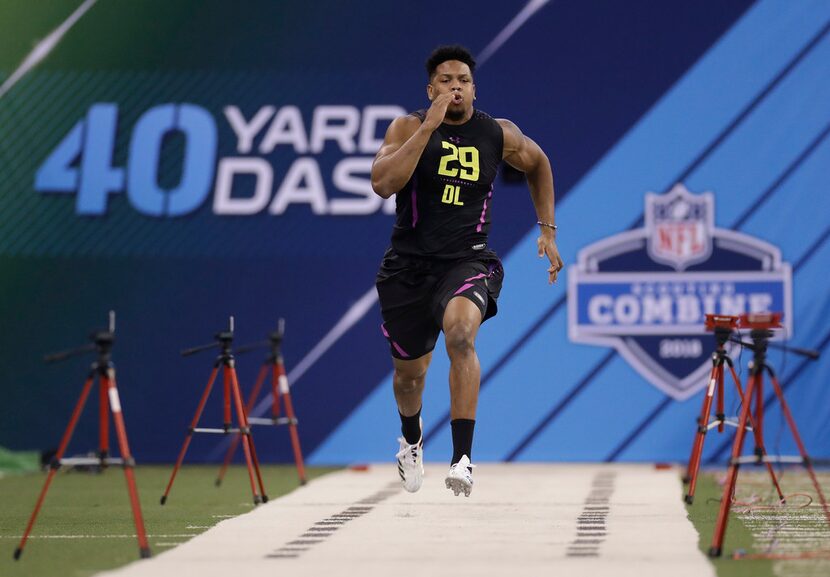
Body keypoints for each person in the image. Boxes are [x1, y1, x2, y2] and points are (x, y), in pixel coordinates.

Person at [371, 45, 562, 497]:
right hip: (408, 268)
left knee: (460, 334)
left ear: (474, 88)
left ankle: (462, 460)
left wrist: (548, 230)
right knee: (410, 377)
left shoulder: (497, 132)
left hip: (468, 260)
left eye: (463, 80)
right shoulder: (408, 126)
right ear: (430, 88)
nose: (454, 86)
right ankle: (413, 440)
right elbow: (383, 184)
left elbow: (538, 163)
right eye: (445, 80)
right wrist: (428, 129)